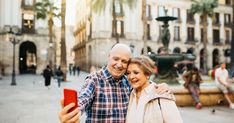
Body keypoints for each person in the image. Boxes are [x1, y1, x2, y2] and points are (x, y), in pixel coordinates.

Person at [59, 43, 171, 123]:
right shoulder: (94, 79)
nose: (119, 64)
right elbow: (83, 98)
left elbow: (144, 82)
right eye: (116, 59)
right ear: (109, 57)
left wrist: (160, 86)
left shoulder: (128, 81)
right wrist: (73, 112)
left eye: (124, 61)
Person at [126, 56, 183, 123]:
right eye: (128, 73)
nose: (131, 77)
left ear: (147, 74)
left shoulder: (161, 94)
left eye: (136, 72)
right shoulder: (131, 94)